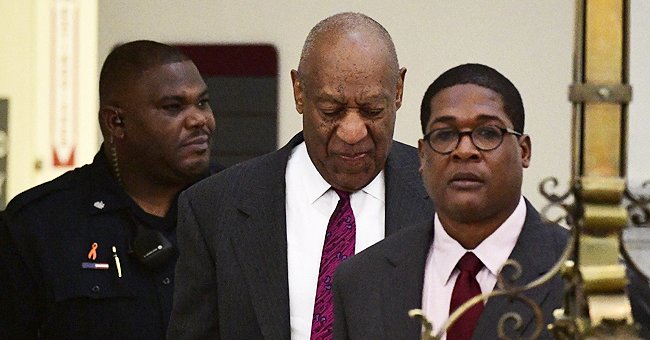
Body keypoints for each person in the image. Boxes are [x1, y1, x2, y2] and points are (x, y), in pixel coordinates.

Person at [167, 12, 433, 340]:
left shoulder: (440, 196)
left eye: (372, 111)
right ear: (299, 92)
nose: (352, 132)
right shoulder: (215, 207)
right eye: (331, 111)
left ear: (398, 90)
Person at [333, 63, 570, 339]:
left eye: (488, 133)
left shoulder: (581, 274)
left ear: (524, 151)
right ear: (422, 156)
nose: (465, 150)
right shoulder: (362, 281)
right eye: (445, 135)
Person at [0, 40, 216, 338]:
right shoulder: (39, 225)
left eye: (202, 102)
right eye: (173, 107)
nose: (199, 119)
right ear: (116, 122)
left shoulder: (237, 207)